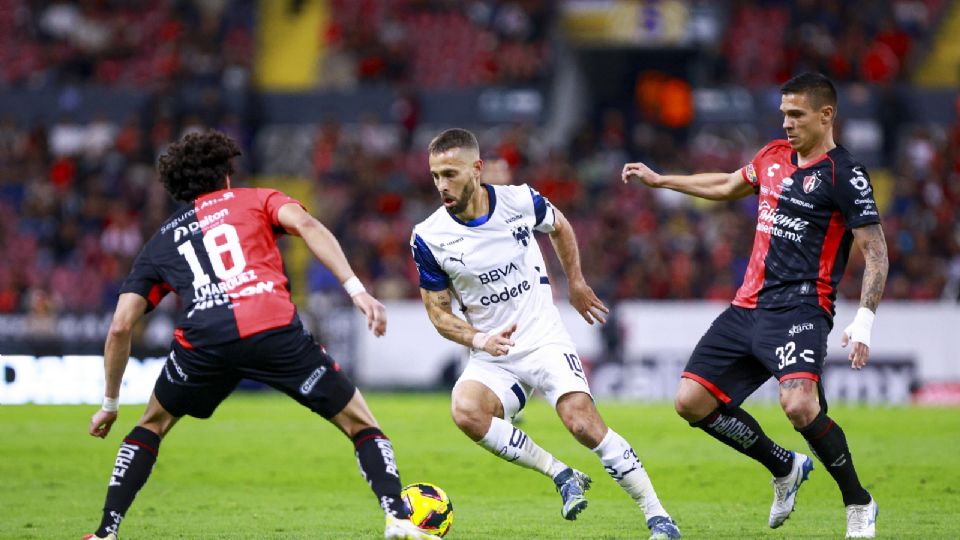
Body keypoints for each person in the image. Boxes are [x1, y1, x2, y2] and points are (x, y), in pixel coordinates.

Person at [84, 131, 439, 540]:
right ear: (227, 175)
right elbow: (306, 224)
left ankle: (106, 532)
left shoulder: (159, 243)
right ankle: (397, 517)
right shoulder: (256, 199)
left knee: (152, 424)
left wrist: (110, 403)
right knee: (360, 422)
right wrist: (357, 290)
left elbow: (120, 326)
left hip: (203, 342)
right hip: (271, 328)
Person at [622, 72, 888, 539]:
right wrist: (661, 180)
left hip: (802, 310)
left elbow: (877, 251)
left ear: (826, 115)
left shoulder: (844, 174)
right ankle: (784, 466)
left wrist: (864, 320)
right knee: (690, 402)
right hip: (747, 306)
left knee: (801, 407)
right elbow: (727, 184)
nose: (786, 123)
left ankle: (859, 503)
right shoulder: (771, 156)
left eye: (797, 115)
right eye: (784, 113)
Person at [411, 128, 681, 540]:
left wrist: (575, 282)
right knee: (465, 410)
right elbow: (438, 313)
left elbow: (560, 226)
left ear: (477, 169)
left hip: (543, 338)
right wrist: (479, 341)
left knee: (582, 423)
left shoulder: (519, 200)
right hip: (491, 352)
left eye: (450, 173)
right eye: (435, 176)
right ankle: (561, 474)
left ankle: (657, 515)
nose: (442, 185)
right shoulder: (428, 237)